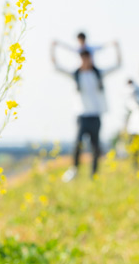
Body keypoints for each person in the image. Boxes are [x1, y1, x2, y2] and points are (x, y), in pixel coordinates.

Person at [51, 40, 121, 181]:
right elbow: (57, 67)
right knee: (77, 144)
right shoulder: (76, 74)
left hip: (95, 115)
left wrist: (116, 47)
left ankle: (94, 174)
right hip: (81, 115)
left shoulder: (98, 74)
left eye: (88, 58)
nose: (86, 61)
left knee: (96, 146)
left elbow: (117, 65)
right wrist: (53, 48)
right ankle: (74, 169)